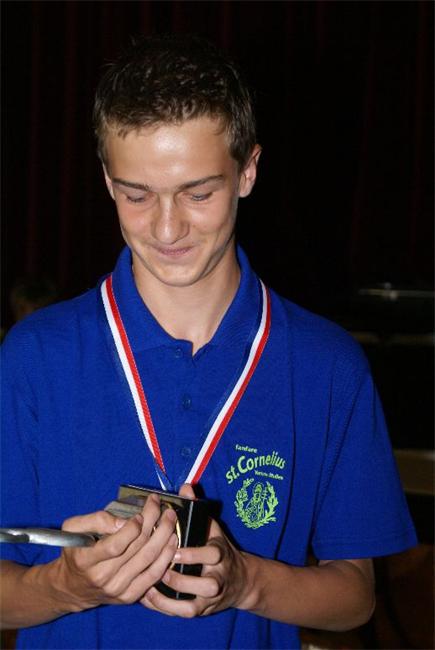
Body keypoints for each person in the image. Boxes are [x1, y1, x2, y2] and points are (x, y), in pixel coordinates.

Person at [0, 34, 417, 649]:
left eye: (198, 193)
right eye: (137, 195)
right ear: (108, 181)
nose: (168, 227)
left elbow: (354, 598)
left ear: (248, 170)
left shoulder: (327, 365)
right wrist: (66, 586)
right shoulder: (34, 357)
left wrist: (246, 582)